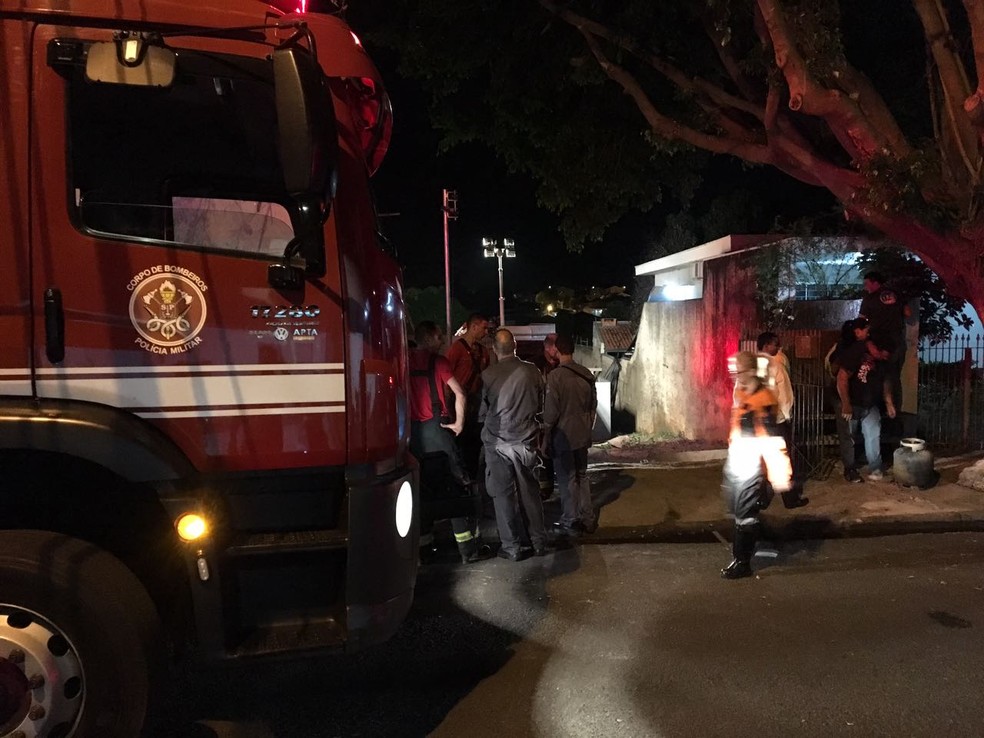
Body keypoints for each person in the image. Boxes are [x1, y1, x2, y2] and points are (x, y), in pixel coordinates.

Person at [408, 321, 490, 564]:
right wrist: (459, 424)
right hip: (440, 432)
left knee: (421, 491)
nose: (443, 340)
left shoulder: (404, 361)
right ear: (430, 338)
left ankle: (424, 550)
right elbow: (460, 393)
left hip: (414, 437)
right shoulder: (439, 362)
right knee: (456, 488)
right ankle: (468, 551)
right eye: (439, 337)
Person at [721, 351, 792, 580]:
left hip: (751, 462)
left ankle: (742, 562)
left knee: (744, 513)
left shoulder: (765, 399)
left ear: (752, 371)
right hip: (739, 457)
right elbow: (737, 424)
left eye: (740, 371)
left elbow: (771, 440)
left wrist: (779, 473)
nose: (736, 375)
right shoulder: (742, 392)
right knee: (736, 508)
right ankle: (760, 541)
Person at [480, 329, 550, 561]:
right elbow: (541, 405)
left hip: (498, 442)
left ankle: (511, 547)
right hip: (526, 440)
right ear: (515, 346)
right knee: (530, 492)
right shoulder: (533, 371)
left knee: (503, 495)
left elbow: (482, 412)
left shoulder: (488, 375)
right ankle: (539, 542)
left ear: (494, 349)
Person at [542, 333, 598, 536]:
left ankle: (570, 518)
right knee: (582, 476)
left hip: (563, 436)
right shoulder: (586, 374)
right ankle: (588, 518)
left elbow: (550, 414)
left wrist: (546, 437)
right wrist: (587, 426)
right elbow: (593, 406)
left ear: (556, 350)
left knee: (567, 478)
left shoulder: (556, 377)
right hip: (582, 435)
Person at [834, 317, 896, 483]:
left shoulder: (883, 360)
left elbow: (886, 381)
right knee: (848, 438)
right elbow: (842, 377)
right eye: (883, 352)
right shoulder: (857, 351)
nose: (885, 355)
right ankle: (850, 469)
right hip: (851, 401)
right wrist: (846, 404)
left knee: (873, 435)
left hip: (870, 404)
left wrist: (889, 402)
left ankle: (875, 468)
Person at [757, 332, 807, 509]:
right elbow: (786, 395)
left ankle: (761, 499)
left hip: (755, 422)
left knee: (762, 461)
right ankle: (790, 499)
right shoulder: (775, 366)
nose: (778, 347)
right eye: (774, 344)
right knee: (782, 460)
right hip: (774, 421)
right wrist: (786, 417)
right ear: (766, 345)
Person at [447, 313, 492, 480]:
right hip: (459, 401)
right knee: (461, 440)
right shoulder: (457, 349)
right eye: (484, 327)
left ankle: (471, 475)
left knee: (473, 440)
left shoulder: (483, 351)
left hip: (475, 401)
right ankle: (464, 476)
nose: (486, 332)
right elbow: (447, 375)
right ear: (473, 327)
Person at [532, 333, 560, 499]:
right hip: (540, 415)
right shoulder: (535, 365)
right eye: (556, 347)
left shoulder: (560, 365)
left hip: (557, 416)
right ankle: (543, 488)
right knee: (542, 453)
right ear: (548, 347)